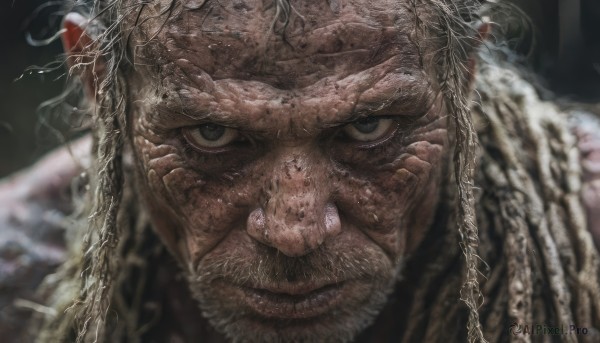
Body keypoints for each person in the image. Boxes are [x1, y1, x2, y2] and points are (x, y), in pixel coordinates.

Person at [1, 0, 600, 342]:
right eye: (214, 136)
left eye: (370, 130)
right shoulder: (18, 279)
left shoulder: (586, 252)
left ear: (460, 75)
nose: (296, 232)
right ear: (99, 83)